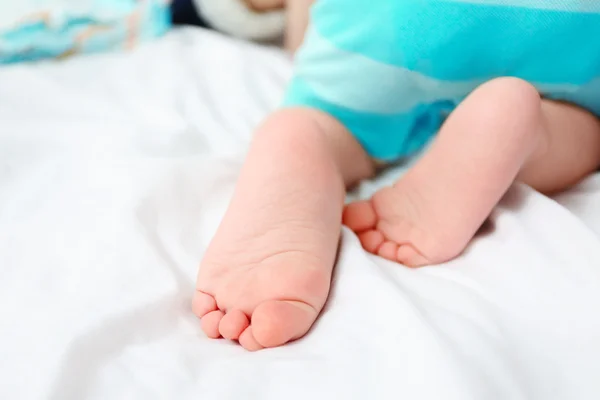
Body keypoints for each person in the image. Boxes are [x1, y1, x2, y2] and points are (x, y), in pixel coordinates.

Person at [193, 0, 600, 351]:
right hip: (572, 31)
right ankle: (522, 123)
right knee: (583, 133)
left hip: (389, 26)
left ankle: (302, 136)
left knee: (325, 122)